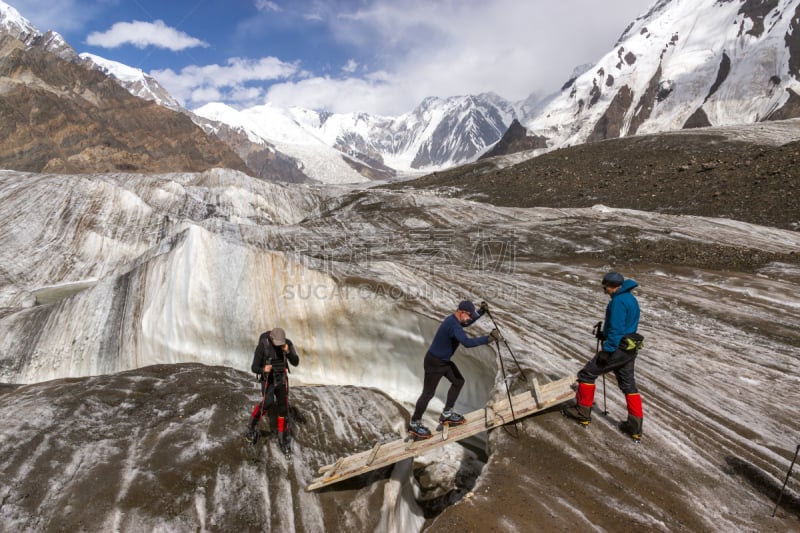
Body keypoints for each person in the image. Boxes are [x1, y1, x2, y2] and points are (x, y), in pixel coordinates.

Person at [562, 271, 645, 441]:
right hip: (629, 348)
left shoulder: (618, 302)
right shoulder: (630, 299)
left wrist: (607, 351)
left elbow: (616, 329)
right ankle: (634, 426)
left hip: (617, 348)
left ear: (613, 286)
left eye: (605, 287)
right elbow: (626, 325)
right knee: (629, 386)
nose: (604, 290)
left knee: (587, 374)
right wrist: (604, 335)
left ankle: (582, 412)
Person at [408, 300, 503, 440]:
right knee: (428, 394)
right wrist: (488, 339)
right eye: (469, 315)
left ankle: (447, 414)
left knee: (458, 381)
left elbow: (467, 322)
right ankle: (414, 424)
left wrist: (481, 312)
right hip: (435, 363)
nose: (470, 318)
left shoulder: (455, 320)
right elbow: (467, 343)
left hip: (442, 362)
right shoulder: (454, 326)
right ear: (462, 312)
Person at [246, 327, 300, 450]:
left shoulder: (287, 343)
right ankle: (252, 425)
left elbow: (295, 361)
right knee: (268, 402)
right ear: (271, 338)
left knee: (283, 409)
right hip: (268, 380)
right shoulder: (262, 346)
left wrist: (289, 352)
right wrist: (263, 369)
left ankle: (282, 438)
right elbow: (254, 367)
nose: (279, 345)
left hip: (281, 379)